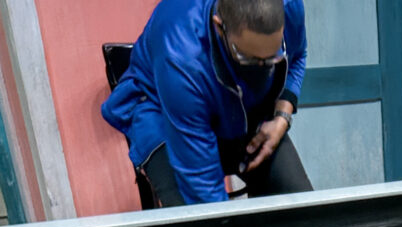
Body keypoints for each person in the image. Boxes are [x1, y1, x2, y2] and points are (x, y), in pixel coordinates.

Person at [102, 0, 312, 207]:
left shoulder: (288, 6)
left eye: (272, 58)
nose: (263, 67)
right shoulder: (181, 56)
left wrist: (282, 117)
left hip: (241, 105)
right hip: (165, 115)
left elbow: (297, 57)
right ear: (220, 27)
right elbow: (205, 193)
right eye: (250, 58)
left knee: (304, 211)